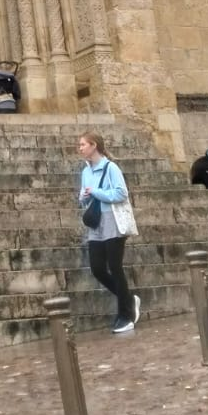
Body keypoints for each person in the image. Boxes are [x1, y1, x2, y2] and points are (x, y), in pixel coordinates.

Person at [78, 130, 141, 335]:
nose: (80, 148)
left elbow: (121, 193)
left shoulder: (111, 167)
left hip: (112, 220)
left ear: (94, 145)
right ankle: (129, 299)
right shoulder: (86, 171)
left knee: (115, 266)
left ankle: (126, 314)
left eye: (83, 145)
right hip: (96, 222)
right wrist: (85, 197)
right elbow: (85, 196)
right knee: (97, 267)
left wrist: (96, 192)